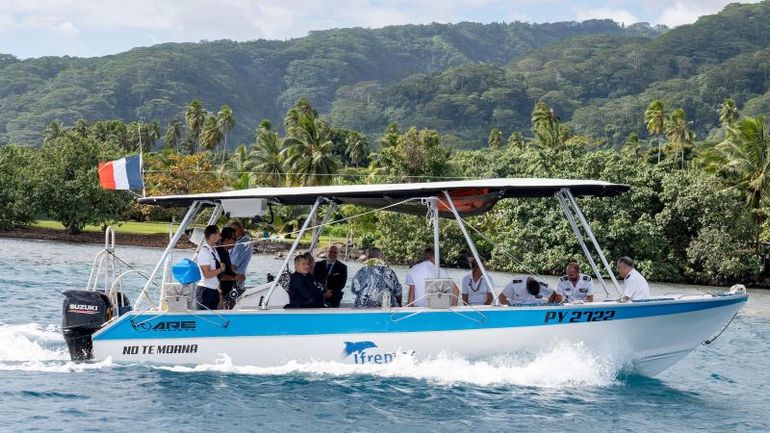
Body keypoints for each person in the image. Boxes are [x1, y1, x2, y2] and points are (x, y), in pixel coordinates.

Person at [195, 225, 226, 310]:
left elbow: (215, 276)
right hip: (204, 291)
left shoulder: (214, 251)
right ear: (212, 236)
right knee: (203, 317)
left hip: (214, 290)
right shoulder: (204, 252)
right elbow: (207, 274)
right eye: (218, 234)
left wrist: (219, 290)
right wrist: (221, 269)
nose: (220, 237)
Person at [216, 227, 245, 309]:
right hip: (221, 294)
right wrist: (235, 277)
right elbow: (218, 276)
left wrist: (237, 275)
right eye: (234, 239)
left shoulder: (225, 252)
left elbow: (226, 271)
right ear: (226, 239)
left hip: (228, 291)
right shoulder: (219, 253)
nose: (236, 241)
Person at [228, 220, 252, 294]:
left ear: (241, 229)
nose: (233, 232)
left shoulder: (242, 243)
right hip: (236, 281)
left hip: (234, 282)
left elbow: (233, 267)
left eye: (235, 229)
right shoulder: (239, 241)